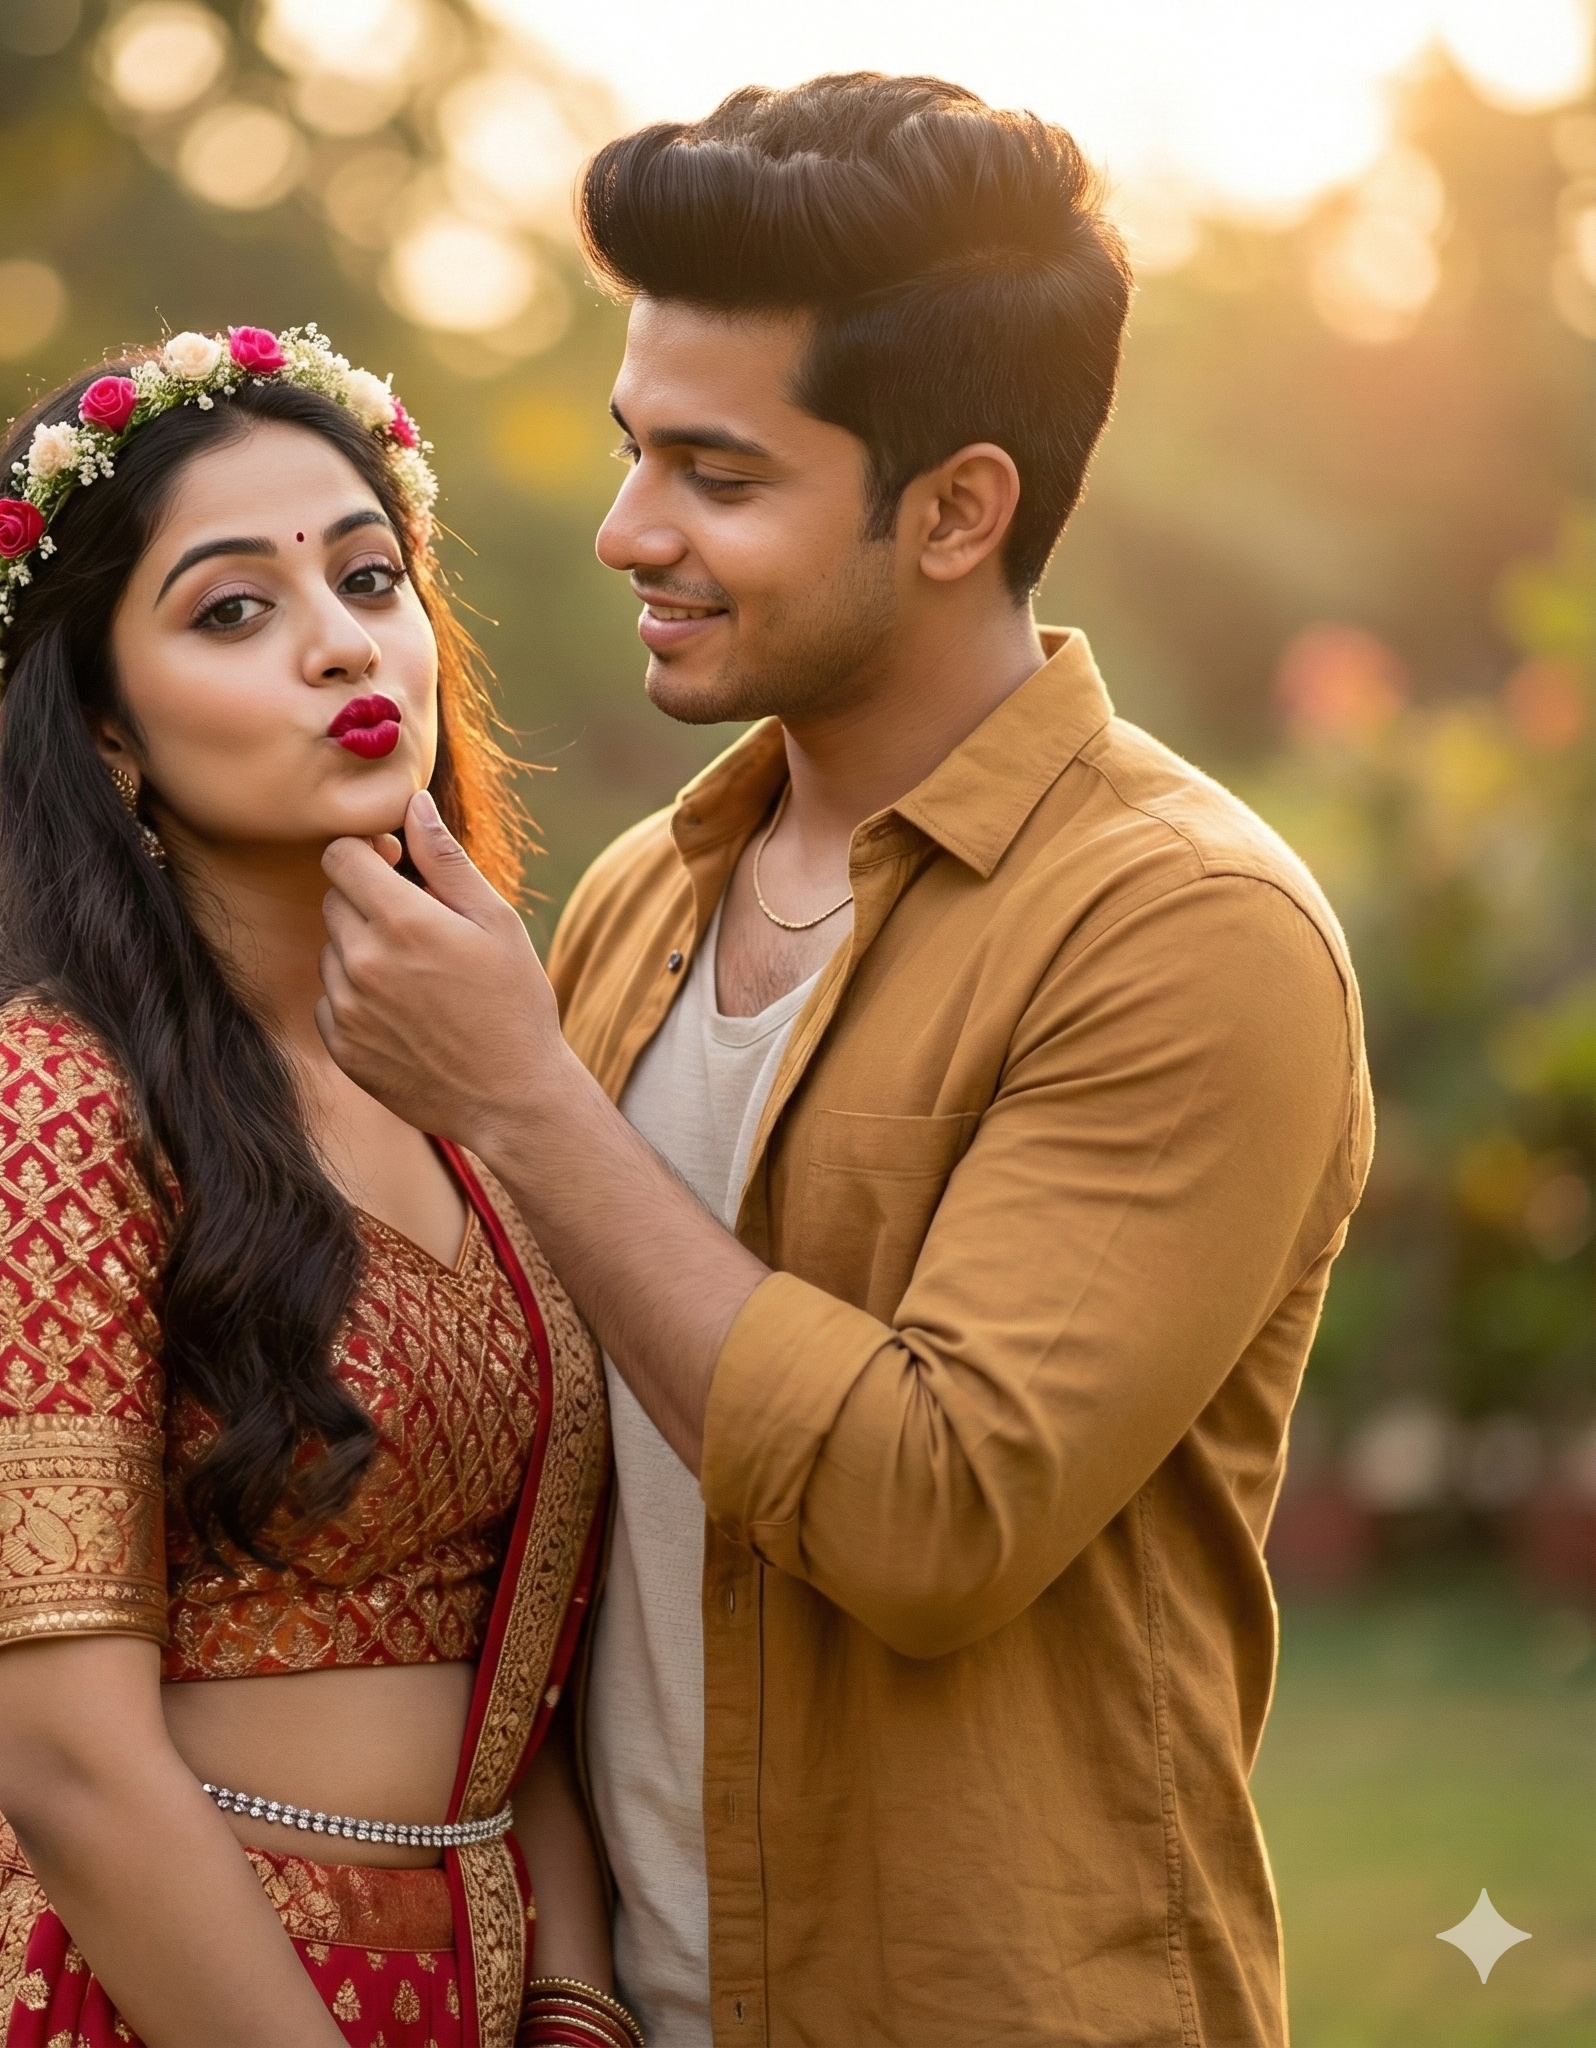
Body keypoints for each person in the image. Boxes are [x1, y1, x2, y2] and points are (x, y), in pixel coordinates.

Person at [314, 76, 1373, 2048]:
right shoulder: (637, 899)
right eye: (636, 450)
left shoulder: (1185, 928)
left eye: (717, 476)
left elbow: (931, 1515)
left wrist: (521, 1100)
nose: (630, 529)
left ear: (958, 507)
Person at [0, 326, 644, 2048]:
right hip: (149, 1997)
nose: (342, 641)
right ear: (103, 725)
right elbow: (71, 1768)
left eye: (369, 576)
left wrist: (574, 1999)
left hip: (470, 1986)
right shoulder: (41, 1111)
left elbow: (535, 1635)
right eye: (234, 609)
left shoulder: (472, 1071)